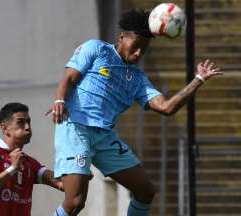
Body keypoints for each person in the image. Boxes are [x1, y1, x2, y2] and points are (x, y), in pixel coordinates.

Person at [47, 8, 222, 216]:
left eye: (144, 50)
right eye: (136, 46)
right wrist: (59, 100)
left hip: (105, 137)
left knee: (145, 191)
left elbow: (167, 107)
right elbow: (68, 78)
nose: (139, 53)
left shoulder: (138, 80)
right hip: (76, 127)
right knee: (75, 202)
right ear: (122, 37)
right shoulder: (96, 49)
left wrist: (198, 80)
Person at [0, 102, 64, 216]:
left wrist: (77, 171)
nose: (27, 127)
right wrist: (12, 169)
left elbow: (62, 184)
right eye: (21, 122)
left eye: (28, 122)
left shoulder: (30, 163)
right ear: (5, 128)